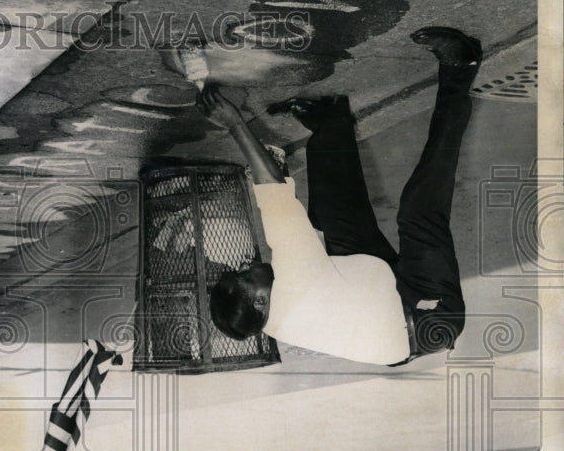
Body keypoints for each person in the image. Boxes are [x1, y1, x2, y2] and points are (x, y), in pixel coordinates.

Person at [201, 26, 482, 365]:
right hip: (431, 317)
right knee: (419, 211)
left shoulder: (272, 321)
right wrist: (234, 123)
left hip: (376, 296)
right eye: (245, 276)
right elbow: (273, 192)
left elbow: (308, 238)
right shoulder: (294, 286)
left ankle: (331, 124)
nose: (248, 265)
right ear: (260, 302)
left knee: (330, 222)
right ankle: (460, 69)